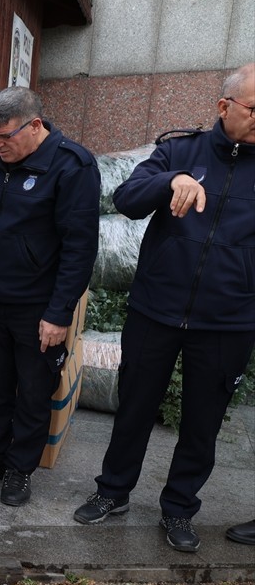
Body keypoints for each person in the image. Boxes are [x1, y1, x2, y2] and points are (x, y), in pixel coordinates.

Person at [73, 63, 255, 552]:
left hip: (228, 321)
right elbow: (127, 198)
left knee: (202, 421)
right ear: (225, 106)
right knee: (133, 407)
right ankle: (113, 491)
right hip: (156, 309)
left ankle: (178, 509)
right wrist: (171, 180)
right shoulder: (180, 149)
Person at [0, 87, 100, 506]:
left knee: (34, 390)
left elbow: (79, 248)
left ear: (35, 126)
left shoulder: (72, 166)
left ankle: (20, 469)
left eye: (5, 137)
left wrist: (59, 314)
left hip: (39, 306)